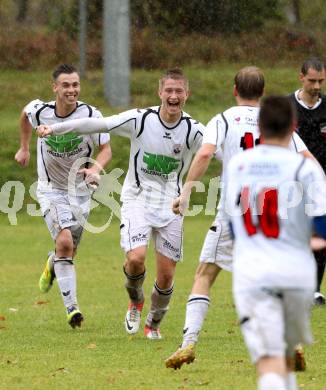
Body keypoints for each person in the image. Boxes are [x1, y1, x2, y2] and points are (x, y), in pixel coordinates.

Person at [36, 68, 205, 339]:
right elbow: (94, 125)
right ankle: (136, 301)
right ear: (160, 92)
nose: (174, 96)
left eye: (179, 91)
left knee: (165, 276)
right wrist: (53, 128)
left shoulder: (194, 130)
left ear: (187, 94)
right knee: (136, 260)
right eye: (169, 90)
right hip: (136, 199)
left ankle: (154, 323)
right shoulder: (140, 119)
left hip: (171, 205)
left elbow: (219, 150)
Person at [165, 66, 311, 369]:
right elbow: (307, 161)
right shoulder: (274, 122)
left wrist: (186, 193)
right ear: (263, 92)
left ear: (234, 90)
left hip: (235, 213)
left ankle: (188, 342)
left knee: (205, 275)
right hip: (273, 213)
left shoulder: (223, 119)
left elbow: (205, 154)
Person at [224, 95, 326, 390]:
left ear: (259, 126)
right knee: (284, 356)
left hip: (254, 273)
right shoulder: (304, 168)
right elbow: (322, 222)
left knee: (268, 363)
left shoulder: (238, 166)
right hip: (298, 276)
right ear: (293, 126)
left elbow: (232, 222)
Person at [15, 64, 111, 328]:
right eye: (66, 85)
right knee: (66, 243)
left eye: (75, 85)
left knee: (68, 250)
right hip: (51, 189)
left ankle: (51, 263)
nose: (72, 90)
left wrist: (95, 168)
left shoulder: (91, 115)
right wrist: (24, 148)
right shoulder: (41, 111)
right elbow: (24, 114)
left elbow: (106, 149)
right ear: (54, 87)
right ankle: (73, 311)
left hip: (80, 192)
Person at [289, 57, 326, 305]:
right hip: (290, 182)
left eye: (321, 81)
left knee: (320, 235)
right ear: (301, 77)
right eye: (312, 80)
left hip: (322, 183)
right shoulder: (286, 106)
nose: (316, 86)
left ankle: (313, 289)